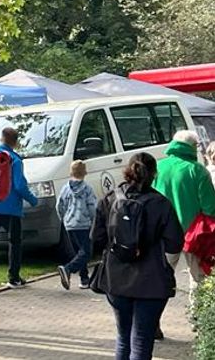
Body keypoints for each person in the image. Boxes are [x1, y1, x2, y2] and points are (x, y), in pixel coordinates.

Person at [92, 153, 184, 360]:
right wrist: (166, 263)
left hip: (116, 279)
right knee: (142, 340)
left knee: (123, 338)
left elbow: (96, 239)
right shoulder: (161, 204)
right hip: (151, 281)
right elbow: (175, 242)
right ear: (154, 174)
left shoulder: (109, 200)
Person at [152, 130, 215, 302]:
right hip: (194, 234)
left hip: (163, 232)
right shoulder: (198, 171)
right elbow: (210, 208)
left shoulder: (159, 167)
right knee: (199, 277)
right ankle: (197, 316)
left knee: (160, 275)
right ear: (192, 147)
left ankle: (152, 317)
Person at [0, 127, 37, 289]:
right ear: (15, 142)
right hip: (12, 207)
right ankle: (13, 277)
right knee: (15, 243)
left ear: (1, 138)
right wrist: (33, 199)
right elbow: (19, 185)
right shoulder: (15, 160)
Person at [56, 160, 97, 290]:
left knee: (78, 252)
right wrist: (94, 220)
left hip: (69, 224)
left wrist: (63, 218)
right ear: (85, 172)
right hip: (83, 224)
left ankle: (84, 279)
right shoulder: (87, 189)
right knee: (86, 252)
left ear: (70, 172)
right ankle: (68, 269)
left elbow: (59, 205)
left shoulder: (65, 188)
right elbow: (92, 207)